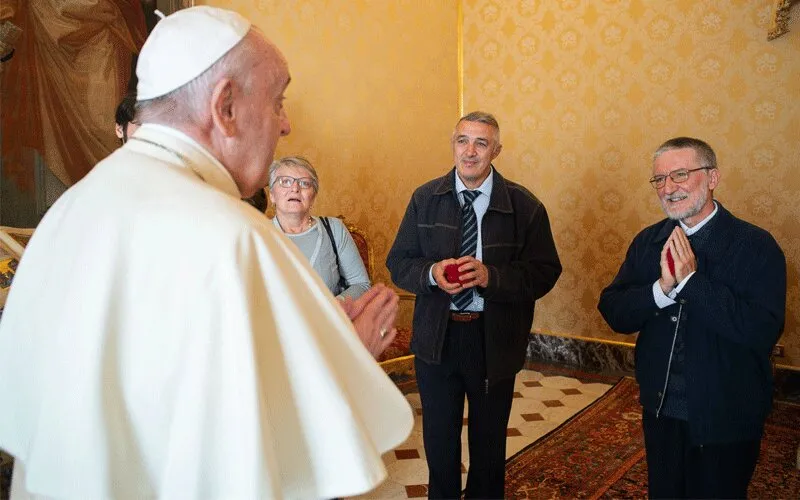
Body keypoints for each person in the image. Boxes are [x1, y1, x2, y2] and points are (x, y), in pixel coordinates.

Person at [0, 7, 412, 500]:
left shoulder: (73, 205)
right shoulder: (234, 235)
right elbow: (251, 455)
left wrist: (315, 338)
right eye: (278, 101)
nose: (286, 124)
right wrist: (350, 359)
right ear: (225, 106)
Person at [386, 111, 562, 499]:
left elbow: (545, 271)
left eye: (481, 143)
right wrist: (432, 273)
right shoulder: (425, 198)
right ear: (453, 145)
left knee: (488, 443)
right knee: (439, 439)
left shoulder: (524, 205)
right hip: (437, 340)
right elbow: (398, 262)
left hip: (493, 340)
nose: (470, 151)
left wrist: (491, 278)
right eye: (463, 141)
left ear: (496, 150)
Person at [597, 137, 786, 499]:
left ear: (712, 177)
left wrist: (691, 282)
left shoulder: (757, 246)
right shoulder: (649, 241)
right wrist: (662, 290)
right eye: (660, 179)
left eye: (681, 175)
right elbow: (614, 310)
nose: (669, 188)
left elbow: (761, 330)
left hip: (728, 412)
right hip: (661, 408)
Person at [269, 156, 370, 300]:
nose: (295, 188)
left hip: (328, 321)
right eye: (285, 182)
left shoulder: (334, 229)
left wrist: (335, 306)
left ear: (313, 196)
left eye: (304, 183)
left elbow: (361, 284)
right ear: (272, 195)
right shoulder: (257, 233)